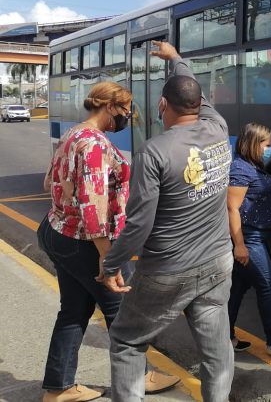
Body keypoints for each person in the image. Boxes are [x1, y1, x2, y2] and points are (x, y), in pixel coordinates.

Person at [99, 41, 234, 402]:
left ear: (162, 105)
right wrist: (177, 58)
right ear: (200, 104)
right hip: (218, 262)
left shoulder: (155, 151)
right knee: (216, 350)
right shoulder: (218, 128)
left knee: (128, 340)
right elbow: (193, 91)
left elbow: (140, 223)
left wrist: (111, 264)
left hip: (167, 269)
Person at [38, 82, 178, 402]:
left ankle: (58, 387)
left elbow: (52, 181)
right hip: (85, 242)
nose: (128, 117)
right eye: (126, 110)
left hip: (57, 230)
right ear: (110, 107)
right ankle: (139, 377)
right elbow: (92, 203)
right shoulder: (95, 144)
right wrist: (107, 257)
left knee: (74, 310)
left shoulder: (73, 134)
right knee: (125, 314)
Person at [226, 122, 271, 358]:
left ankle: (224, 337)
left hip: (260, 235)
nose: (270, 148)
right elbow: (232, 208)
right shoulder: (240, 169)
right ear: (253, 144)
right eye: (267, 144)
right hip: (250, 238)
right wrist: (239, 245)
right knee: (269, 284)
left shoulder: (253, 166)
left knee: (238, 287)